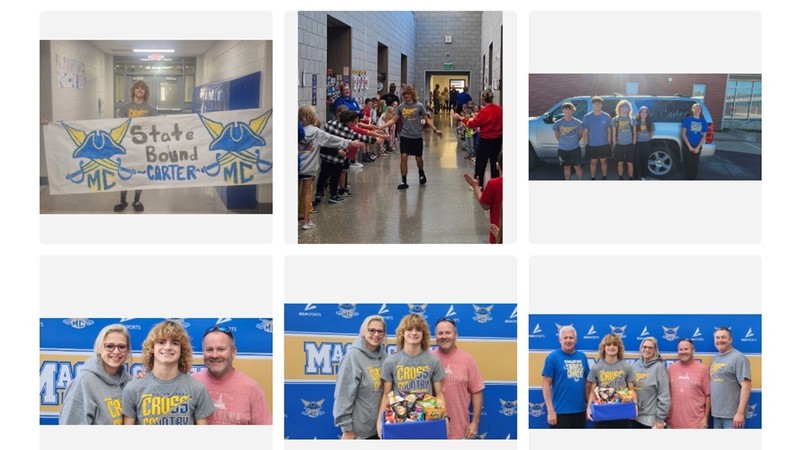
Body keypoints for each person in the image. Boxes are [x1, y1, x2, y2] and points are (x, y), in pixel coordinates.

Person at [122, 320, 214, 425]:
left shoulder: (197, 388)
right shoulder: (133, 388)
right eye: (161, 342)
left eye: (175, 343)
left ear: (181, 350)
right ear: (152, 348)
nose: (168, 347)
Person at [376, 313, 446, 438]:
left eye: (418, 330)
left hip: (426, 421)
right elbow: (386, 395)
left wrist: (445, 418)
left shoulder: (433, 361)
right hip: (400, 421)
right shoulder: (391, 361)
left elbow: (439, 394)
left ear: (423, 334)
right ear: (402, 333)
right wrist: (379, 421)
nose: (414, 333)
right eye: (409, 329)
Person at [192, 325, 272, 425]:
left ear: (233, 352)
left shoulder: (252, 388)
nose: (215, 355)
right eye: (209, 350)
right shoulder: (192, 382)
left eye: (221, 349)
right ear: (203, 352)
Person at [298, 105, 361, 229]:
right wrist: (349, 143)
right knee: (306, 194)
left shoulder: (296, 131)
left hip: (296, 166)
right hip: (309, 168)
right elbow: (332, 140)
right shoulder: (317, 132)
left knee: (294, 193)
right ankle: (306, 222)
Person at [59, 324, 132, 424]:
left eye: (122, 346)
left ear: (127, 350)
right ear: (99, 348)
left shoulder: (129, 382)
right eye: (109, 346)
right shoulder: (84, 383)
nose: (116, 351)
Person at [333, 315, 388, 439]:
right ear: (364, 331)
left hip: (380, 429)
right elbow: (343, 396)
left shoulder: (385, 358)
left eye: (380, 331)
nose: (376, 334)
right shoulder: (353, 357)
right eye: (371, 330)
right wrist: (347, 429)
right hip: (358, 433)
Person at [378, 86, 443, 190]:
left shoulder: (419, 106)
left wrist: (435, 130)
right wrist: (381, 126)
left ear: (412, 95)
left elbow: (427, 120)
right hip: (405, 135)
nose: (406, 97)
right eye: (405, 95)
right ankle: (404, 181)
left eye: (408, 95)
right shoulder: (401, 107)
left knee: (418, 158)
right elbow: (393, 120)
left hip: (416, 136)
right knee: (404, 156)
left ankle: (421, 172)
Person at [431, 317, 485, 439]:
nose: (444, 336)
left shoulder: (468, 360)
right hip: (431, 430)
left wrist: (475, 422)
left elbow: (477, 392)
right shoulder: (428, 359)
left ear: (456, 335)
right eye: (440, 333)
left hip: (461, 432)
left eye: (448, 332)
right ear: (435, 336)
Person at [114, 80, 156, 212]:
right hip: (127, 147)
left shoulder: (151, 109)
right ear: (133, 90)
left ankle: (137, 200)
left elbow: (154, 127)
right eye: (137, 88)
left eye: (142, 88)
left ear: (145, 91)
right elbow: (119, 127)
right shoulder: (124, 108)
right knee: (124, 172)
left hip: (143, 148)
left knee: (139, 173)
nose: (139, 90)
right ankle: (122, 200)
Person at [541, 325, 590, 428]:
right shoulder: (552, 357)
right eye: (565, 338)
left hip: (580, 411)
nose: (568, 340)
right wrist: (550, 410)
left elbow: (587, 383)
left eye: (571, 337)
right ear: (560, 340)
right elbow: (545, 384)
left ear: (576, 340)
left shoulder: (582, 357)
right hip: (559, 412)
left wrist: (588, 406)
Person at [452, 89, 503, 189]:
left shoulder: (484, 112)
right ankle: (496, 184)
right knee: (495, 163)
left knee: (481, 163)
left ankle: (478, 184)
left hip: (486, 140)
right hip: (497, 140)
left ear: (483, 99)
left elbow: (472, 124)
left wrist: (461, 118)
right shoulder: (500, 110)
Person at [586, 333, 637, 428]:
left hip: (622, 412)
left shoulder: (627, 367)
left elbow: (631, 390)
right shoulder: (596, 368)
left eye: (615, 345)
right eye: (608, 345)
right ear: (603, 348)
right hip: (602, 413)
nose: (611, 347)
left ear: (619, 348)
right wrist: (588, 407)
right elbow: (592, 392)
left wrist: (635, 406)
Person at [710, 327, 752, 429]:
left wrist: (740, 413)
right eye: (717, 338)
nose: (720, 340)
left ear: (730, 340)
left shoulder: (739, 358)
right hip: (716, 415)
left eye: (723, 337)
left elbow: (746, 386)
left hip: (732, 417)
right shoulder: (715, 358)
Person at [667, 338, 710, 429]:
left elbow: (707, 395)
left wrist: (706, 417)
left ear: (693, 350)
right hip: (672, 424)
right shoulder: (670, 369)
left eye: (686, 349)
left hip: (696, 424)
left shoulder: (702, 369)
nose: (683, 352)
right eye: (680, 349)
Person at [630, 337, 670, 428]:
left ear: (655, 350)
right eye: (645, 347)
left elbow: (664, 395)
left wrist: (660, 418)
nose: (647, 349)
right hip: (633, 416)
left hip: (649, 420)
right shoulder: (635, 366)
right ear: (641, 348)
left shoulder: (659, 368)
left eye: (650, 347)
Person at [464, 152, 503, 244]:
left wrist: (476, 186)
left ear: (497, 165)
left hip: (498, 234)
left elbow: (484, 205)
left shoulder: (494, 184)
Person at [582, 96, 612, 180]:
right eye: (595, 103)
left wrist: (609, 143)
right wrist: (586, 144)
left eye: (599, 103)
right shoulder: (587, 117)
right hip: (592, 145)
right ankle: (593, 178)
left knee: (604, 162)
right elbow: (585, 132)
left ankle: (604, 177)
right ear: (592, 105)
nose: (597, 105)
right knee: (593, 162)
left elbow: (609, 131)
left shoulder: (607, 116)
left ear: (602, 105)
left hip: (604, 144)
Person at [552, 102, 584, 181]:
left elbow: (580, 135)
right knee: (566, 167)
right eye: (566, 109)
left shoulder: (578, 123)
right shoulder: (557, 123)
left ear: (573, 111)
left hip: (575, 149)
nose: (568, 111)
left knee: (578, 167)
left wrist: (573, 142)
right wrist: (564, 142)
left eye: (570, 109)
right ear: (562, 110)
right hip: (562, 150)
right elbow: (557, 136)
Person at [680, 103, 709, 180]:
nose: (697, 110)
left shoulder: (703, 121)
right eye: (695, 108)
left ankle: (693, 179)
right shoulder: (688, 119)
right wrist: (689, 146)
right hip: (687, 145)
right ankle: (688, 178)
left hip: (697, 146)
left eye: (698, 109)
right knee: (687, 164)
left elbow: (704, 136)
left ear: (700, 111)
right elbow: (683, 134)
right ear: (692, 110)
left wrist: (698, 148)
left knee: (695, 164)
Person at [611, 99, 637, 180]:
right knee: (620, 163)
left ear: (628, 109)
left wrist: (633, 144)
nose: (624, 109)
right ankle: (621, 178)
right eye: (622, 107)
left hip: (630, 145)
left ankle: (630, 178)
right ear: (619, 108)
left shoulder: (632, 119)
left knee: (630, 163)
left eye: (626, 107)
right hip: (619, 145)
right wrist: (615, 145)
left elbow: (635, 133)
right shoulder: (615, 119)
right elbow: (614, 134)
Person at [634, 106, 655, 179]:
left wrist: (647, 138)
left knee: (645, 159)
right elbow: (634, 133)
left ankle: (643, 176)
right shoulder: (636, 121)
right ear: (639, 113)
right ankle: (636, 176)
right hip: (638, 143)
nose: (644, 113)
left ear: (647, 114)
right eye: (642, 112)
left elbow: (651, 133)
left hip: (647, 143)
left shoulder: (649, 122)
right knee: (637, 160)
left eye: (645, 112)